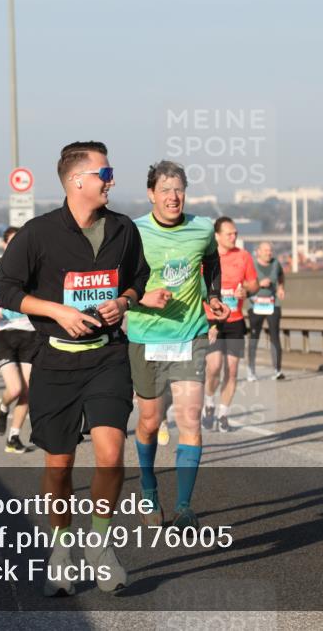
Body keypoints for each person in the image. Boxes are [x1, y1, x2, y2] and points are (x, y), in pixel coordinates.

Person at [0, 141, 148, 596]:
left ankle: (99, 545)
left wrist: (124, 302)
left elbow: (139, 279)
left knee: (111, 455)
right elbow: (4, 289)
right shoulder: (37, 234)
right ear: (78, 180)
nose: (112, 181)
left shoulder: (123, 229)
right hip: (55, 361)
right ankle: (61, 549)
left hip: (107, 356)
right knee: (59, 466)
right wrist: (56, 311)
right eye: (106, 173)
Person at [128, 160, 226, 530]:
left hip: (190, 335)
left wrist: (213, 296)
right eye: (165, 190)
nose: (173, 197)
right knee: (150, 421)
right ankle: (148, 487)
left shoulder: (202, 228)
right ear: (151, 194)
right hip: (146, 336)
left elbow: (212, 262)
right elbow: (117, 280)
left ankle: (184, 507)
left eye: (179, 189)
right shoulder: (133, 232)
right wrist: (142, 298)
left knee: (189, 417)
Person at [0, 226, 36, 455]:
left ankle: (13, 437)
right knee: (15, 388)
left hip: (30, 333)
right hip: (4, 333)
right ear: (4, 245)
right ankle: (2, 407)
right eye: (12, 242)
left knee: (28, 390)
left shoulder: (35, 267)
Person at [202, 217, 259, 433]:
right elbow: (197, 287)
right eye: (229, 234)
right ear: (217, 236)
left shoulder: (243, 256)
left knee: (232, 370)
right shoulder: (206, 258)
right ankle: (209, 402)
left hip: (235, 320)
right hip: (212, 320)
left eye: (235, 233)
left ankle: (223, 415)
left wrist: (247, 291)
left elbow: (254, 283)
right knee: (214, 366)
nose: (233, 237)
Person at [246, 241, 287, 381]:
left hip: (272, 303)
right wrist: (259, 284)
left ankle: (277, 370)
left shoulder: (276, 264)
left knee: (275, 336)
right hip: (255, 304)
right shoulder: (251, 265)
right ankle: (251, 370)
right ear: (258, 252)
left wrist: (281, 288)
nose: (269, 253)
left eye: (270, 250)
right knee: (254, 337)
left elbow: (281, 276)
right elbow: (244, 283)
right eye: (265, 250)